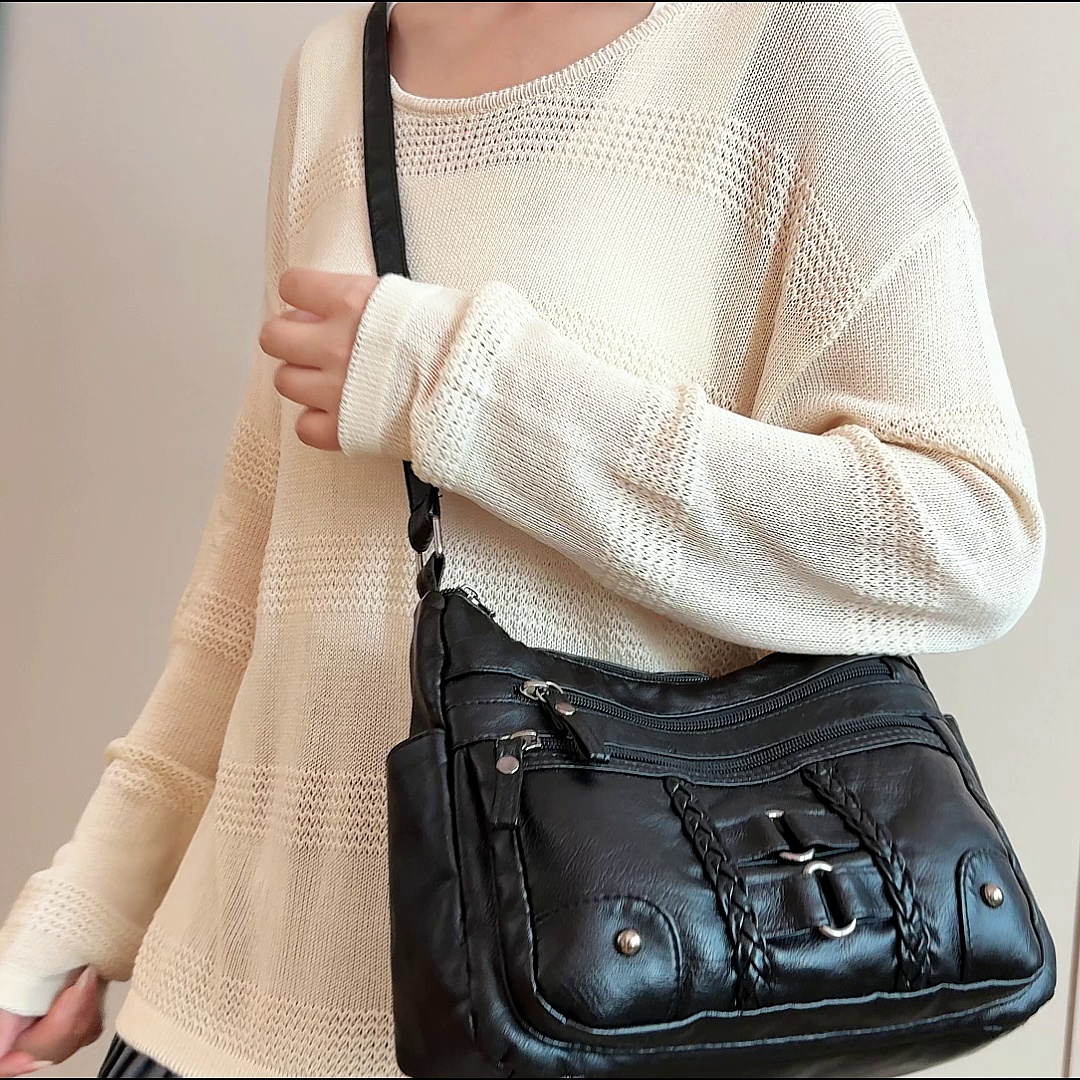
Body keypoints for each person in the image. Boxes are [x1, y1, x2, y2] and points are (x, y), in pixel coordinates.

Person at [0, 2, 1044, 1077]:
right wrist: (79, 910)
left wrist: (469, 390)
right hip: (206, 1018)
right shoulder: (334, 73)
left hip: (580, 1015)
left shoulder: (790, 35)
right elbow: (253, 594)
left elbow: (965, 536)